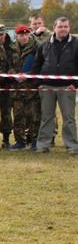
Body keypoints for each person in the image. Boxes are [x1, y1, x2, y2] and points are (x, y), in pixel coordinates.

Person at [31, 16, 78, 154]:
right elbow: (36, 66)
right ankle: (43, 146)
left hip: (67, 87)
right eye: (60, 26)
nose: (63, 29)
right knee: (46, 117)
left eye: (66, 27)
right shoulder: (44, 45)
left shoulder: (76, 44)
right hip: (47, 88)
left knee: (69, 118)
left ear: (69, 28)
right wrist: (38, 83)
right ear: (54, 28)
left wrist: (75, 84)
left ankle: (72, 146)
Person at [8, 25, 39, 150]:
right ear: (16, 36)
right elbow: (7, 65)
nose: (24, 37)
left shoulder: (37, 47)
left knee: (35, 116)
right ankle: (20, 141)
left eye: (26, 34)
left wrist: (28, 75)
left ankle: (35, 141)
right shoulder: (11, 49)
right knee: (18, 116)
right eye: (21, 35)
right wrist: (14, 75)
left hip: (32, 88)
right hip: (17, 88)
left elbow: (40, 65)